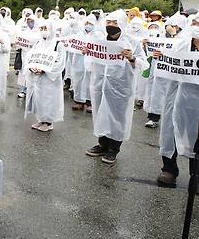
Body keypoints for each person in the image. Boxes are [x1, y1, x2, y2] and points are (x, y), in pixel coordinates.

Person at [84, 10, 148, 164]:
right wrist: (87, 52)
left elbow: (143, 64)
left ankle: (114, 148)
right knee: (100, 114)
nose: (111, 25)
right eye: (109, 22)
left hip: (121, 87)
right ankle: (102, 144)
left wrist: (132, 58)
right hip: (100, 84)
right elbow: (90, 62)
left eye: (115, 23)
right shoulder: (99, 40)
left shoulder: (131, 42)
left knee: (117, 117)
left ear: (122, 24)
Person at [154, 15, 199, 187]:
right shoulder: (181, 44)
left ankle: (196, 175)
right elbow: (169, 64)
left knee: (195, 136)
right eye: (194, 23)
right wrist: (161, 57)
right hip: (178, 96)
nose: (196, 26)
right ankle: (169, 169)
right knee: (171, 130)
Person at [24, 23, 66, 131]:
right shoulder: (39, 43)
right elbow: (30, 56)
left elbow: (60, 62)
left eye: (45, 28)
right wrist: (31, 67)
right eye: (41, 28)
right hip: (38, 78)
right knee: (39, 99)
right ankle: (41, 119)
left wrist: (45, 70)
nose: (43, 30)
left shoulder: (58, 44)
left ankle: (48, 122)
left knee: (49, 99)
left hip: (50, 79)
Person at [143, 15, 183, 128]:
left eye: (175, 26)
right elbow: (149, 52)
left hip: (173, 72)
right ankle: (153, 116)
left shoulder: (184, 37)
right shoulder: (160, 36)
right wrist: (147, 44)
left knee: (171, 96)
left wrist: (174, 35)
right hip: (158, 68)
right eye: (170, 26)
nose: (171, 28)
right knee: (155, 92)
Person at [70, 15, 102, 112]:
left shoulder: (99, 35)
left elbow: (101, 48)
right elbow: (72, 45)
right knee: (78, 80)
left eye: (90, 24)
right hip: (79, 61)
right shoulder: (79, 34)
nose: (88, 25)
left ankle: (90, 102)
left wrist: (91, 50)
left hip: (92, 62)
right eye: (86, 23)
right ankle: (78, 101)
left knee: (91, 81)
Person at [17, 15, 41, 98]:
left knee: (34, 72)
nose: (30, 23)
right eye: (28, 21)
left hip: (35, 56)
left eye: (32, 21)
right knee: (25, 72)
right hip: (25, 55)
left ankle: (33, 90)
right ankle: (23, 90)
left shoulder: (39, 33)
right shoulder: (24, 32)